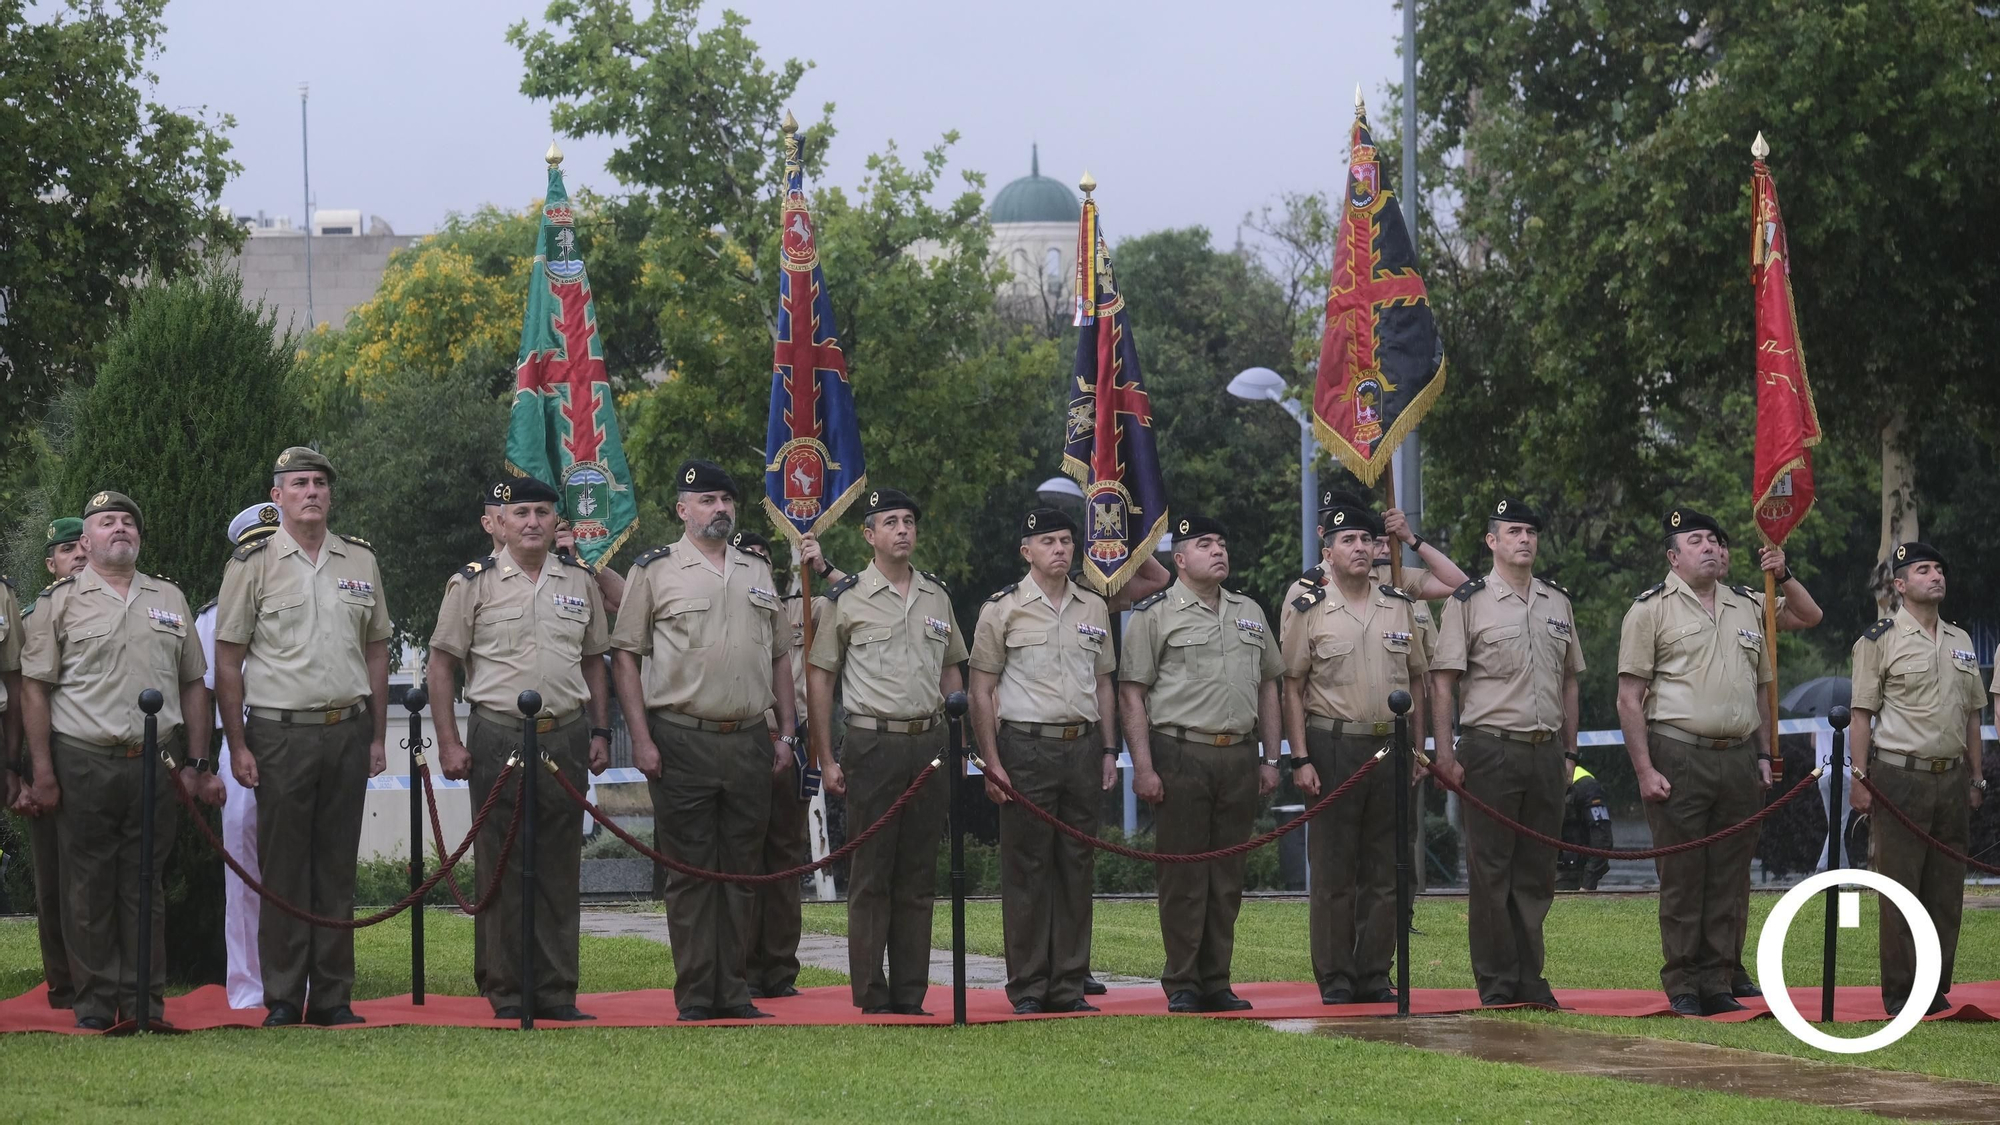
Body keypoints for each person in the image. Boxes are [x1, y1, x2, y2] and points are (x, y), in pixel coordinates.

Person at [18, 491, 225, 1029]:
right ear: (85, 541)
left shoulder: (170, 598)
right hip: (83, 758)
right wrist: (42, 771)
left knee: (145, 884)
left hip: (154, 763)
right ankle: (93, 1005)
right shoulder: (58, 603)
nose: (120, 529)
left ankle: (143, 1004)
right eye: (107, 522)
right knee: (86, 888)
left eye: (128, 522)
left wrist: (196, 763)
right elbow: (35, 690)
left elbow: (193, 686)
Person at [609, 459, 795, 1022]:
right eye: (707, 500)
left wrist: (786, 731)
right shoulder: (655, 570)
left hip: (747, 738)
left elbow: (782, 655)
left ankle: (733, 990)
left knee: (742, 873)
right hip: (681, 737)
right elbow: (626, 656)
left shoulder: (757, 571)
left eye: (726, 500)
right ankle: (696, 993)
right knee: (690, 876)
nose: (719, 509)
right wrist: (640, 739)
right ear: (682, 510)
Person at [213, 448, 390, 1028]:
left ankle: (334, 996)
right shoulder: (253, 561)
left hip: (345, 728)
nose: (310, 492)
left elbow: (376, 649)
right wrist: (238, 745)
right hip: (279, 733)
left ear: (329, 495)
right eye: (298, 484)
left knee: (336, 867)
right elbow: (229, 656)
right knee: (284, 868)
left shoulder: (359, 559)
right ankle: (285, 995)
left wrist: (377, 736)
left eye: (319, 483)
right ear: (278, 496)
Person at [429, 475, 612, 1021]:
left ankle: (557, 990)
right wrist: (448, 742)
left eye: (542, 512)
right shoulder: (473, 584)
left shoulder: (579, 581)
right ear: (500, 523)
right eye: (522, 513)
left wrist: (601, 732)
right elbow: (442, 664)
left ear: (558, 522)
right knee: (501, 860)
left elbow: (593, 661)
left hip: (566, 734)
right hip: (499, 734)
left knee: (559, 862)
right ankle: (506, 988)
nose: (533, 521)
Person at [806, 489, 963, 1015]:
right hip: (872, 743)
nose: (902, 529)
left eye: (909, 520)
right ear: (868, 535)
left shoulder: (937, 596)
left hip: (929, 742)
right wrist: (827, 758)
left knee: (918, 876)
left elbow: (951, 673)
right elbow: (820, 679)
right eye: (890, 522)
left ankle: (911, 994)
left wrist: (960, 738)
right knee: (872, 874)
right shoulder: (844, 599)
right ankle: (872, 994)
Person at [1120, 515, 1283, 1013]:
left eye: (1221, 542)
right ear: (1180, 558)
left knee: (1227, 875)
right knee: (1184, 874)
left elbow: (1269, 686)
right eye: (1204, 543)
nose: (1218, 550)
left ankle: (1217, 979)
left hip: (1238, 753)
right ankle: (1184, 981)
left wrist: (1272, 758)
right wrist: (1144, 768)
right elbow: (1132, 694)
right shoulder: (1155, 614)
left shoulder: (1249, 610)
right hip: (1181, 751)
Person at [1615, 507, 1772, 1017]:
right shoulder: (1650, 610)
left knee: (1729, 875)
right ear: (1673, 555)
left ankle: (1719, 976)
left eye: (1712, 539)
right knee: (1684, 875)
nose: (1708, 546)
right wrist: (1644, 769)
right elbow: (1628, 697)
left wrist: (1767, 754)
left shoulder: (1747, 606)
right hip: (1679, 753)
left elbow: (1762, 688)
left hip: (1739, 755)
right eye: (1695, 539)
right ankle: (1683, 982)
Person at [1428, 498, 1582, 1008]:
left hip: (1544, 751)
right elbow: (1443, 683)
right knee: (1491, 872)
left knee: (1536, 872)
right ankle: (1497, 982)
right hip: (1490, 748)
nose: (1524, 539)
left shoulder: (1557, 601)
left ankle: (1530, 978)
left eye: (1531, 532)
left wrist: (1569, 753)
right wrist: (1446, 754)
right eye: (1513, 531)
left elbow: (1568, 684)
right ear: (1492, 541)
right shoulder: (1467, 602)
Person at [1280, 499, 1429, 1006]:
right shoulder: (1309, 607)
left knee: (1387, 869)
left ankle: (1373, 972)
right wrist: (1299, 757)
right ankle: (1336, 976)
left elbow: (1417, 682)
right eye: (1349, 540)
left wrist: (1418, 750)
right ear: (1329, 551)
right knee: (1335, 869)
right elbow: (1293, 687)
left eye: (1367, 540)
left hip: (1390, 744)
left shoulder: (1399, 604)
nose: (1361, 547)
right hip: (1333, 745)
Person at [970, 507, 1117, 1015]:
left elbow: (1104, 683)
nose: (1060, 549)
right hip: (1025, 747)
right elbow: (981, 689)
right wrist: (992, 761)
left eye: (1067, 540)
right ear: (1026, 551)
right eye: (1048, 541)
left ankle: (1069, 984)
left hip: (1081, 743)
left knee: (1076, 867)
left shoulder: (1092, 607)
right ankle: (1030, 986)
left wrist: (1108, 750)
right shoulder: (1002, 609)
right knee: (1027, 868)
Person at [1849, 541, 1986, 1017]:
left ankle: (1935, 986)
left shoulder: (1961, 641)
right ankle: (1902, 991)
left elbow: (1972, 719)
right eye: (1923, 569)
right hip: (1898, 775)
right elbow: (1862, 714)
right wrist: (1860, 777)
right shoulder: (1877, 639)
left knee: (1946, 889)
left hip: (1950, 777)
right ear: (1901, 585)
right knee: (1900, 887)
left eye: (1939, 569)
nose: (1936, 576)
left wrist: (1977, 777)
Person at [732, 529, 843, 1001]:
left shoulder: (801, 606)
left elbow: (860, 597)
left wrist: (821, 566)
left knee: (782, 859)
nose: (754, 563)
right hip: (740, 737)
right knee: (740, 859)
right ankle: (738, 967)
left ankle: (778, 969)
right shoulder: (723, 607)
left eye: (762, 557)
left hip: (790, 740)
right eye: (745, 557)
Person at [195, 503, 283, 1009]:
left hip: (299, 741)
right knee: (244, 872)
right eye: (256, 549)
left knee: (297, 867)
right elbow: (204, 695)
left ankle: (303, 981)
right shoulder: (213, 616)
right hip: (240, 745)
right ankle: (249, 987)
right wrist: (205, 764)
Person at [6, 517, 88, 1010]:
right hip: (50, 749)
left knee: (102, 874)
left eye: (82, 546)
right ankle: (63, 981)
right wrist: (23, 767)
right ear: (49, 562)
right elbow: (20, 692)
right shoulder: (35, 613)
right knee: (54, 875)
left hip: (101, 750)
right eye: (66, 548)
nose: (77, 554)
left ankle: (106, 973)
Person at [1556, 764, 1614, 891]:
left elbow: (1602, 840)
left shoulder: (1586, 786)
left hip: (1571, 875)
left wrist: (1587, 885)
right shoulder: (1539, 778)